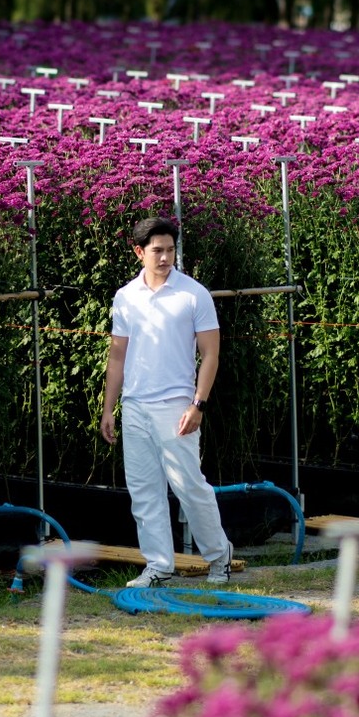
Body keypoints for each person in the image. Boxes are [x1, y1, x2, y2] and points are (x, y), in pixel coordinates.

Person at [100, 216, 231, 587]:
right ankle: (158, 566)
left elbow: (211, 355)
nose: (164, 257)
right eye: (157, 250)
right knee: (144, 491)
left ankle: (219, 557)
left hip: (177, 405)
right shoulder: (125, 297)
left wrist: (198, 405)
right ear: (139, 252)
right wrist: (110, 408)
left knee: (189, 485)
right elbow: (117, 357)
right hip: (135, 405)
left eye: (170, 250)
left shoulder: (193, 294)